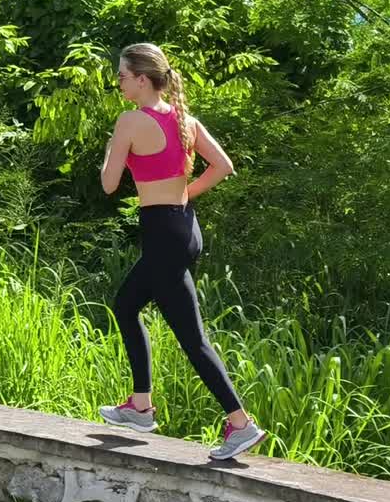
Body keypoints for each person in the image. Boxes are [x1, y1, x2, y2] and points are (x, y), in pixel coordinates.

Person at [96, 42, 266, 461]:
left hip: (162, 232)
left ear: (140, 79)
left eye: (121, 75)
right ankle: (140, 405)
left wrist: (111, 150)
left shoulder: (130, 121)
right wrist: (184, 195)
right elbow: (223, 166)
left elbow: (108, 184)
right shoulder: (185, 119)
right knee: (127, 304)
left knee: (191, 339)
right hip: (183, 227)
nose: (117, 82)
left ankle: (240, 424)